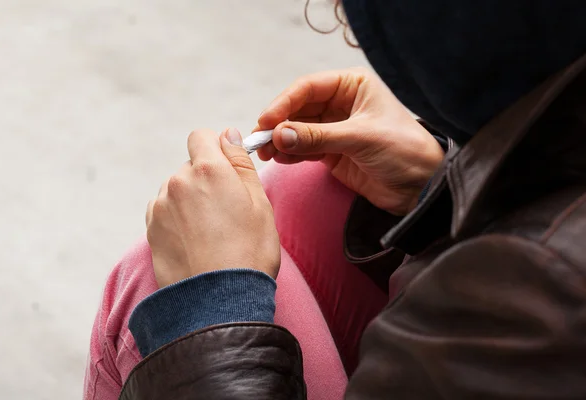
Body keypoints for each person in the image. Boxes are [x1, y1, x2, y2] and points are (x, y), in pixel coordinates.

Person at [85, 0, 586, 399]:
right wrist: (442, 189)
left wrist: (211, 310)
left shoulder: (550, 290)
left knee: (158, 277)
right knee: (316, 192)